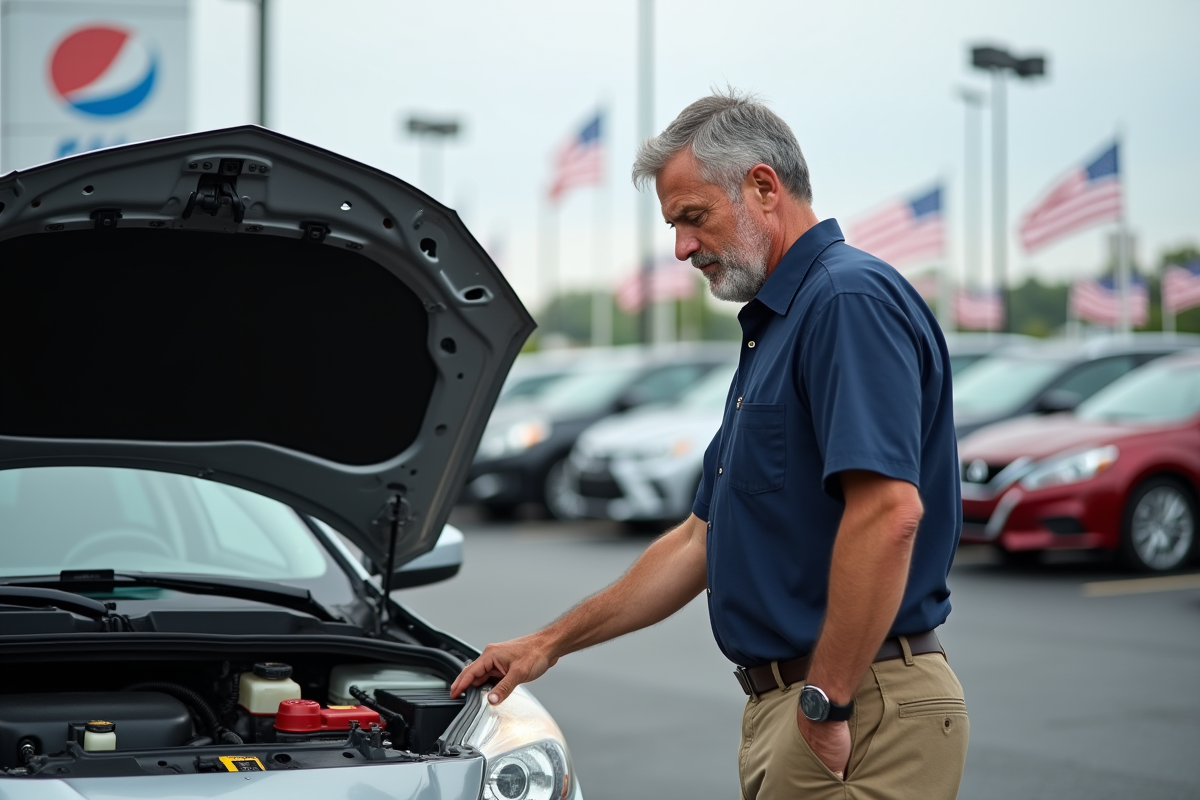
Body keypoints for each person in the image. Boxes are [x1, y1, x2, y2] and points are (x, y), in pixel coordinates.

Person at [452, 89, 968, 799]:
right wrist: (546, 644)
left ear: (762, 186)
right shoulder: (781, 322)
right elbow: (700, 539)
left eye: (694, 218)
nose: (681, 248)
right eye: (674, 225)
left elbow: (888, 515)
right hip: (802, 707)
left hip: (856, 708)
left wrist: (826, 702)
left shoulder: (847, 302)